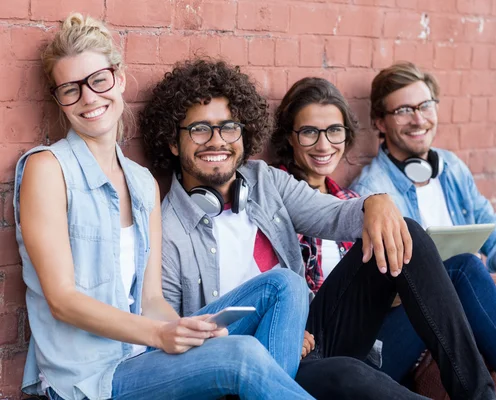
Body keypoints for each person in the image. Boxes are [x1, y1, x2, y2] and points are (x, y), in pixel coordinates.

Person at [139, 57, 496, 400]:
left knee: (405, 233)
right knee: (351, 375)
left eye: (228, 127)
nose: (217, 140)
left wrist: (376, 203)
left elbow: (333, 214)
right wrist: (276, 332)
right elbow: (181, 341)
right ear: (172, 141)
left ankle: (480, 395)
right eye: (200, 129)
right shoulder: (168, 228)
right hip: (258, 361)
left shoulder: (263, 180)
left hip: (316, 329)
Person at [14, 14, 314, 400]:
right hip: (89, 380)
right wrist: (159, 334)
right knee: (241, 356)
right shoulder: (47, 169)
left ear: (119, 79)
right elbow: (62, 300)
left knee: (284, 285)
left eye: (98, 80)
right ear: (59, 99)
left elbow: (152, 300)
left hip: (145, 355)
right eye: (70, 89)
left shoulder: (141, 183)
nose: (89, 98)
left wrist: (190, 334)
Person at [271, 76, 496, 400]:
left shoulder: (352, 202)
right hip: (330, 344)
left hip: (399, 326)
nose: (324, 144)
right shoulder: (279, 200)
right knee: (460, 275)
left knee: (477, 269)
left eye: (334, 131)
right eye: (310, 132)